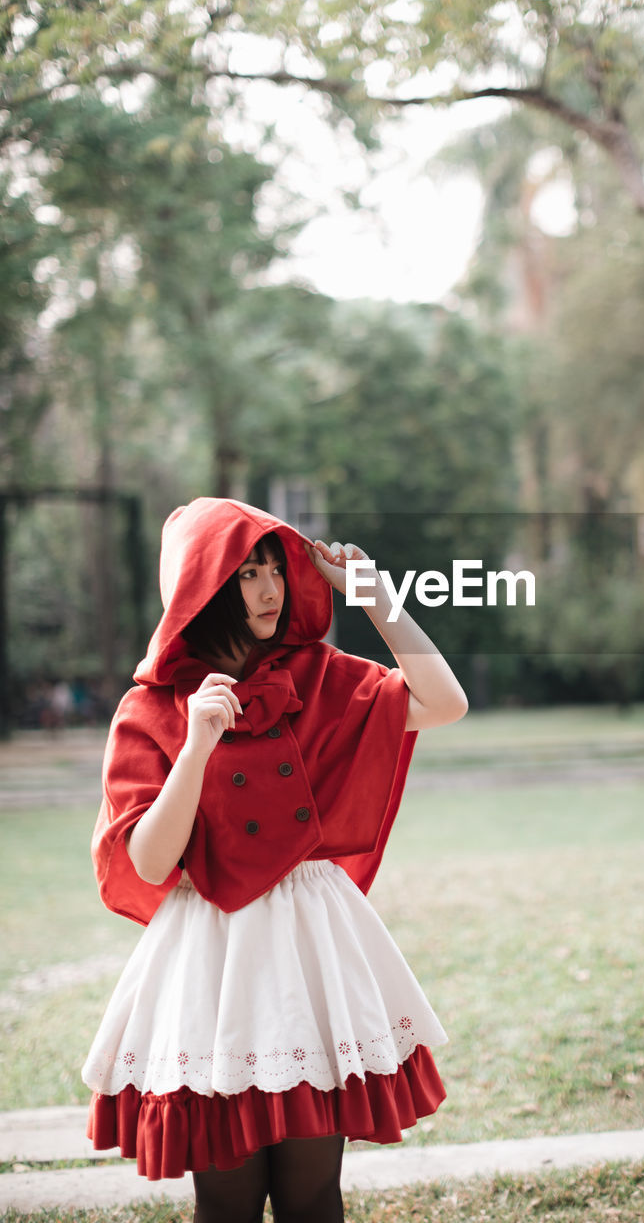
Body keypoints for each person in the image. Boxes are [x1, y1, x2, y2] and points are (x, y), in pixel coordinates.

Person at [82, 497, 467, 1223]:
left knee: (313, 1192)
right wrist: (195, 744)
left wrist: (378, 602)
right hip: (213, 957)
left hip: (309, 948)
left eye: (274, 571)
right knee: (225, 1200)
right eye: (246, 573)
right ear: (203, 586)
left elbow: (443, 703)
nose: (269, 590)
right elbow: (152, 861)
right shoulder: (153, 709)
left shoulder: (320, 678)